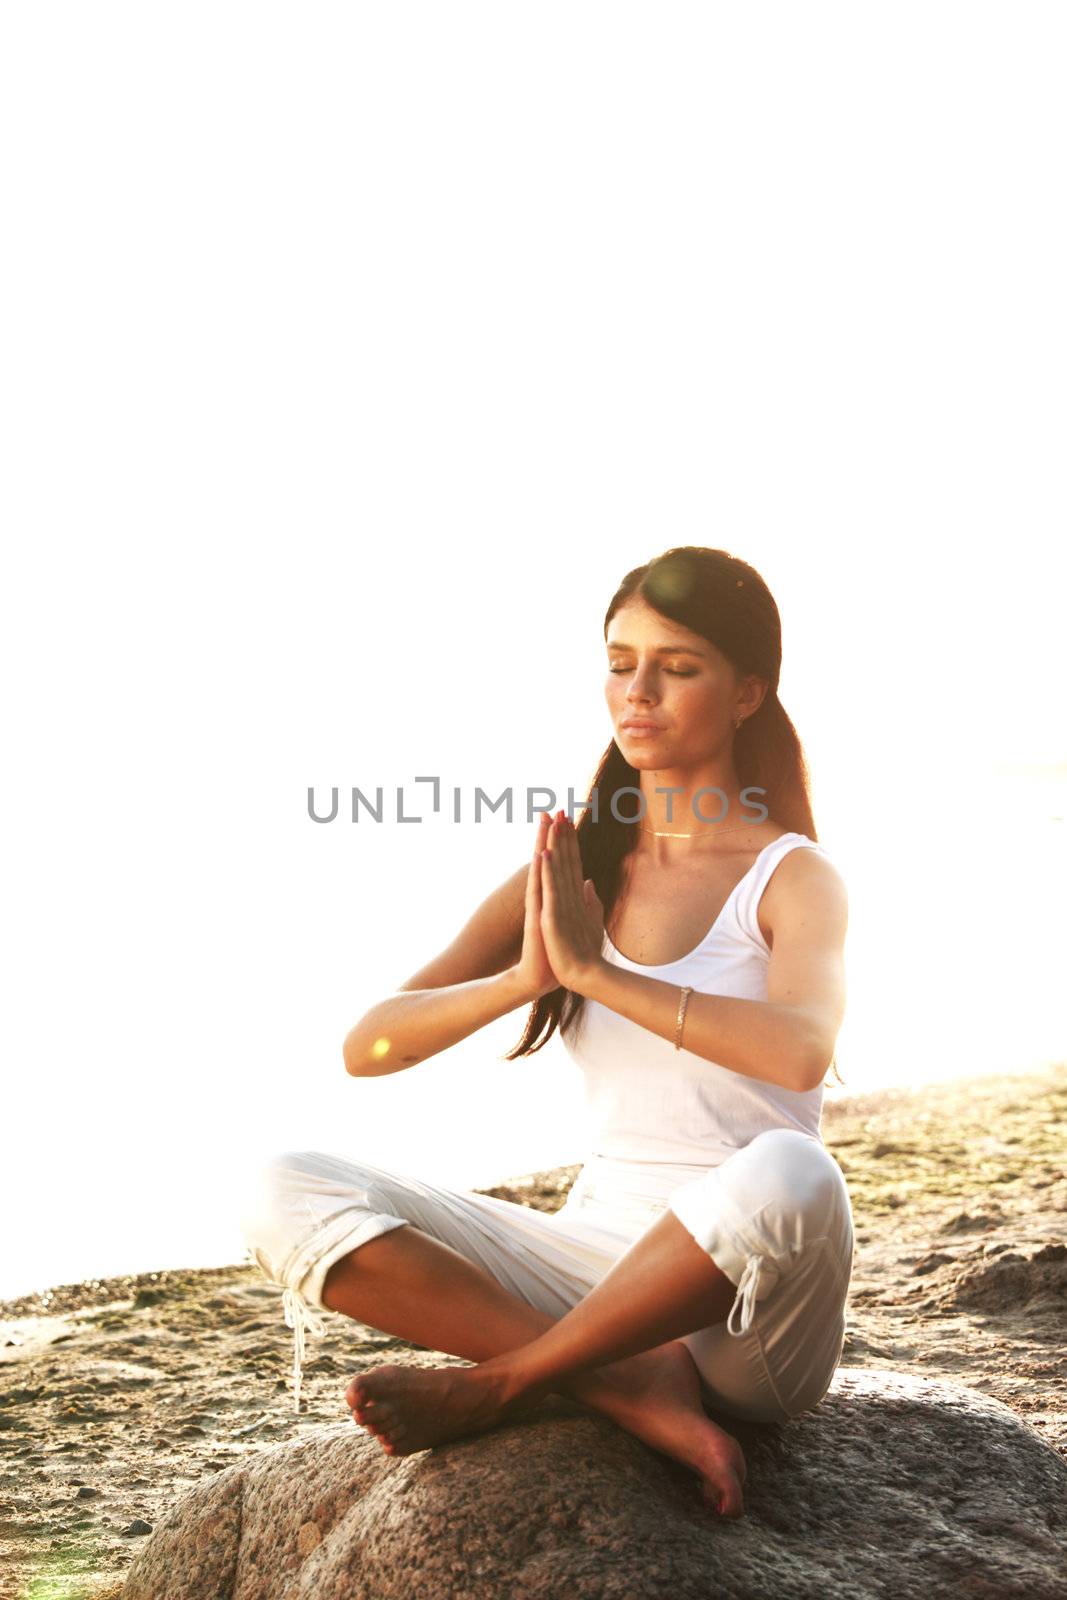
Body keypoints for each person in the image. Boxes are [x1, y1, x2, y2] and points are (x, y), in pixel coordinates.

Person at [239, 546, 854, 1519]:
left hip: (745, 1309)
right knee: (279, 1182)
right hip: (600, 1268)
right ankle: (618, 1380)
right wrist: (524, 978)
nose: (637, 690)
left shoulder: (791, 877)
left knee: (795, 1170)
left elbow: (796, 1050)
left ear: (746, 693)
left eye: (676, 665)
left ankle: (506, 1382)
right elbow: (369, 1047)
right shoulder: (572, 863)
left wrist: (599, 974)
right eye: (619, 661)